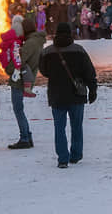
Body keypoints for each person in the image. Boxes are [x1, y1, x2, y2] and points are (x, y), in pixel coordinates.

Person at [39, 22, 97, 168]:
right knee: (76, 126)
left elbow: (44, 71)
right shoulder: (79, 50)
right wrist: (93, 90)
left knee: (59, 128)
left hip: (56, 95)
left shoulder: (48, 52)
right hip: (76, 95)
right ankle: (76, 155)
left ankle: (63, 158)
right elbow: (89, 72)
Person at [8, 18, 45, 150]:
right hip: (26, 77)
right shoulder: (36, 41)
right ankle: (27, 136)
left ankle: (24, 137)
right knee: (19, 109)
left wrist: (8, 67)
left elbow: (19, 61)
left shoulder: (30, 43)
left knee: (18, 110)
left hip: (19, 79)